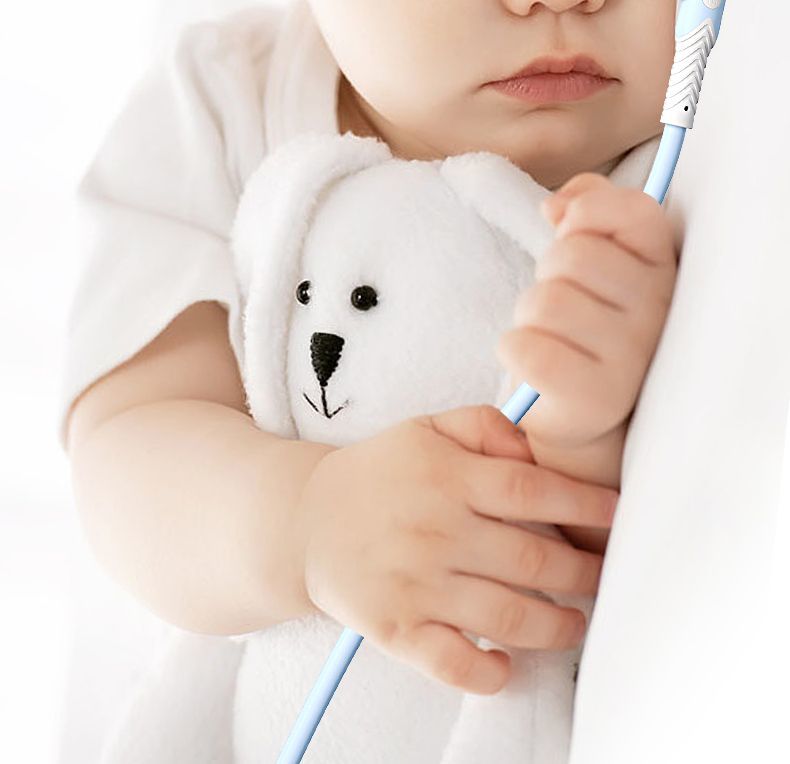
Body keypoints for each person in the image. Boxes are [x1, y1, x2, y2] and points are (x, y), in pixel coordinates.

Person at [59, 0, 678, 756]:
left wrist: (583, 431)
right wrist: (305, 519)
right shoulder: (226, 106)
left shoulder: (709, 149)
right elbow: (131, 453)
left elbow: (653, 565)